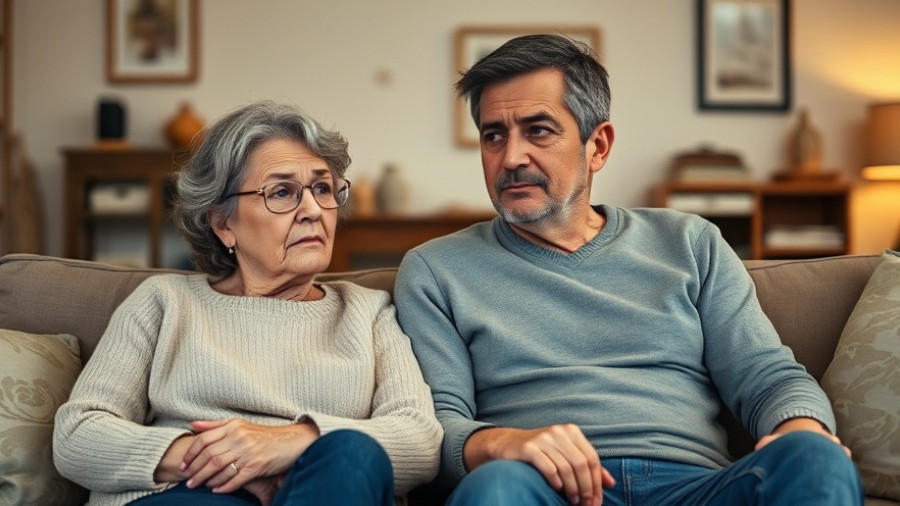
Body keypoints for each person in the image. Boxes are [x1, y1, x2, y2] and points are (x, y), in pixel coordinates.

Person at [394, 35, 863, 506]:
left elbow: (765, 374)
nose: (511, 157)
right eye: (494, 135)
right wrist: (502, 443)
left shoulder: (689, 242)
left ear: (597, 145)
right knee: (495, 487)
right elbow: (437, 425)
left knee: (815, 456)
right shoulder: (436, 270)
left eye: (538, 130)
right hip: (545, 490)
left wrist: (800, 427)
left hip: (696, 490)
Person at [54, 100, 442, 506]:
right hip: (187, 493)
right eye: (281, 192)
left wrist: (291, 443)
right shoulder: (164, 303)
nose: (313, 210)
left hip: (321, 491)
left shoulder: (368, 313)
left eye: (323, 188)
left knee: (353, 454)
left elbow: (420, 439)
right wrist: (219, 460)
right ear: (223, 223)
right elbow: (79, 432)